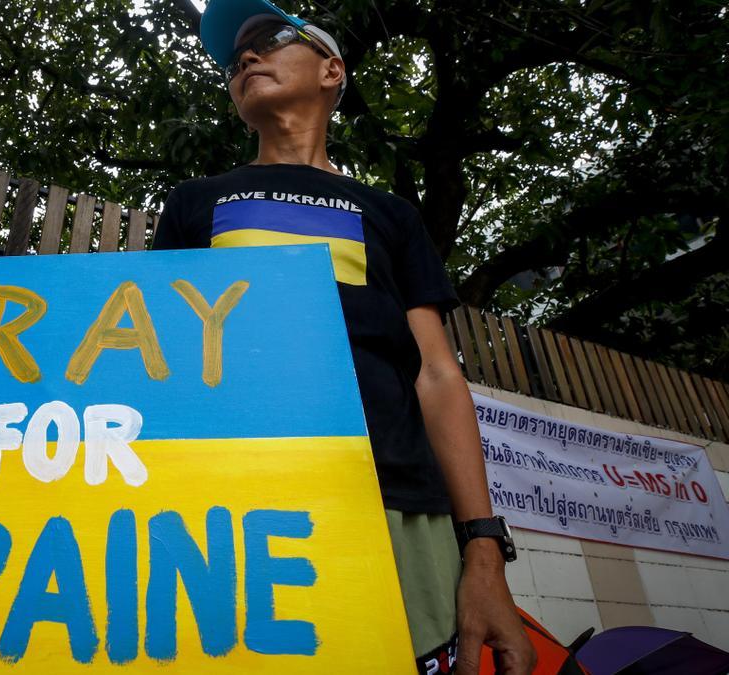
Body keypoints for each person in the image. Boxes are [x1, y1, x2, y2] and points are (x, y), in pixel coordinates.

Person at [151, 1, 537, 673]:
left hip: (397, 505)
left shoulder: (391, 214)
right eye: (234, 57)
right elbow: (160, 357)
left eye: (269, 40)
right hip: (231, 506)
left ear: (333, 70)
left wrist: (482, 549)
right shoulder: (194, 202)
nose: (244, 57)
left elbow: (438, 376)